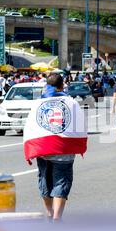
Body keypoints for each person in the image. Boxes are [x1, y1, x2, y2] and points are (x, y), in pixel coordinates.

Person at [35, 74, 79, 221]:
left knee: (45, 180)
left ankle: (49, 212)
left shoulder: (39, 102)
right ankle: (56, 217)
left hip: (43, 150)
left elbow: (31, 126)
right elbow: (79, 124)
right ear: (62, 85)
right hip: (63, 150)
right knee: (61, 181)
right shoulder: (70, 102)